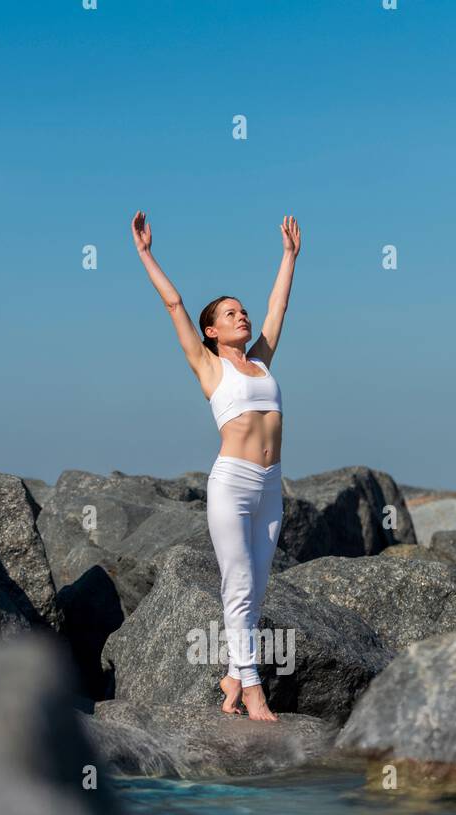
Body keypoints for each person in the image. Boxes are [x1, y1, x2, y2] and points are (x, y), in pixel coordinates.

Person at [132, 210, 301, 720]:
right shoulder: (210, 366)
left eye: (242, 312)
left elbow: (279, 304)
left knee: (257, 587)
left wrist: (289, 257)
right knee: (239, 584)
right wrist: (145, 253)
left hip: (271, 486)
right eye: (229, 314)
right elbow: (173, 303)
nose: (241, 317)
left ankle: (231, 676)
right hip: (232, 484)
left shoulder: (262, 360)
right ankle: (252, 690)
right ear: (211, 330)